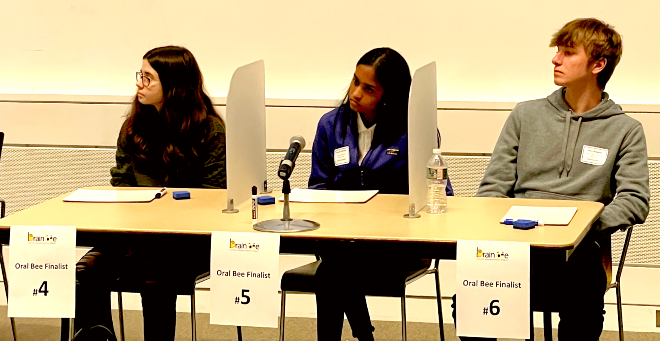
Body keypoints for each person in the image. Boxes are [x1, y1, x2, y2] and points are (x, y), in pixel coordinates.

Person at [452, 18, 650, 341]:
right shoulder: (525, 115)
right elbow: (492, 190)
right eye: (557, 51)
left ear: (598, 64)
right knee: (471, 296)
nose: (555, 59)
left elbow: (635, 200)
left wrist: (584, 225)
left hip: (580, 249)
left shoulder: (625, 130)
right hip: (518, 243)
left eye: (568, 52)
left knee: (584, 299)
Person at [74, 46, 226, 341]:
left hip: (186, 241)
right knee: (85, 272)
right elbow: (121, 182)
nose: (139, 84)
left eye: (148, 78)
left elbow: (214, 194)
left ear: (173, 85)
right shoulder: (133, 126)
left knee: (156, 271)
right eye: (139, 75)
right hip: (136, 236)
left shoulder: (210, 130)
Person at [309, 47, 453, 341]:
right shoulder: (330, 125)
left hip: (396, 244)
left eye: (368, 88)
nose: (356, 93)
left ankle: (363, 335)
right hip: (342, 240)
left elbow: (439, 191)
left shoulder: (413, 130)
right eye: (355, 81)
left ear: (389, 95)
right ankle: (365, 336)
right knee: (337, 265)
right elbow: (318, 187)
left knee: (331, 273)